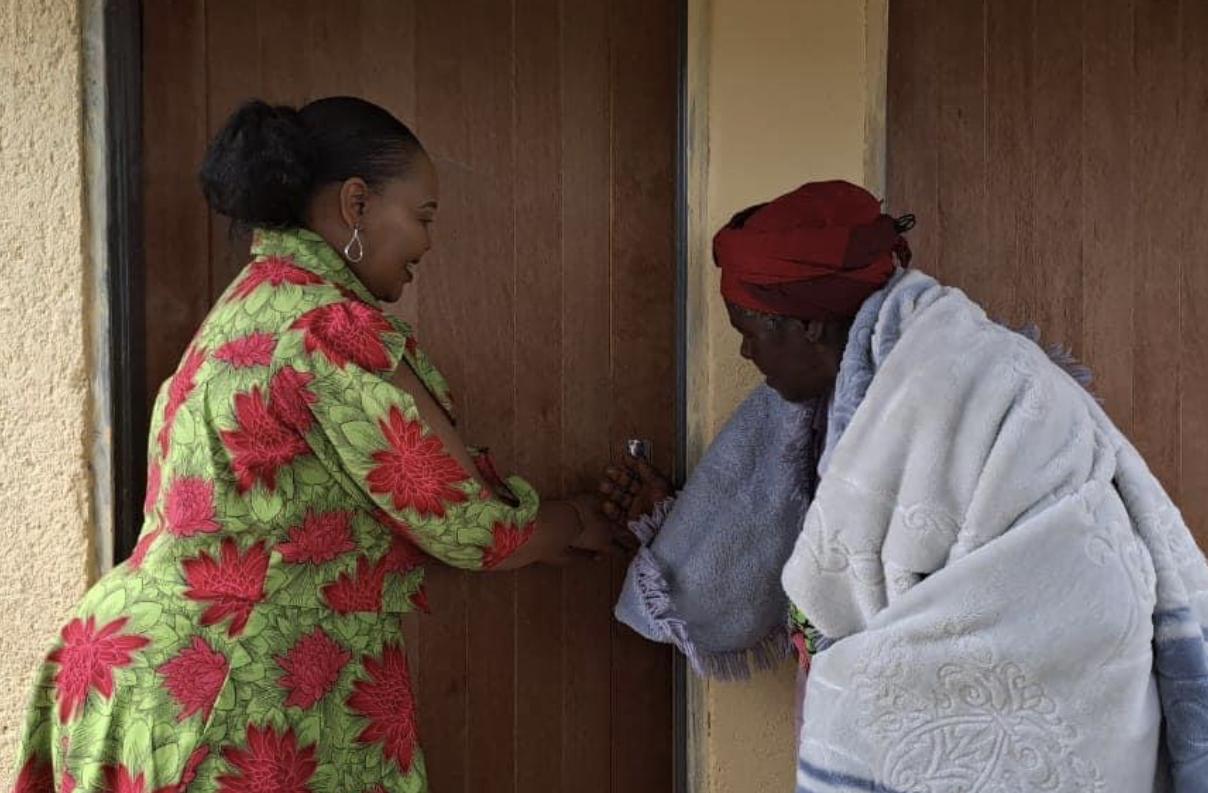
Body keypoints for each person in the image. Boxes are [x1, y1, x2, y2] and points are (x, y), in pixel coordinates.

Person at [11, 97, 621, 793]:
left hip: (135, 671)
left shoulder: (249, 305)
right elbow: (469, 525)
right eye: (422, 216)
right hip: (230, 692)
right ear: (356, 204)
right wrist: (581, 521)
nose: (427, 243)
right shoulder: (326, 329)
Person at [606, 180, 1208, 792]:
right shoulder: (853, 390)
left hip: (1068, 681)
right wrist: (677, 521)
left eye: (750, 330)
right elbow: (797, 533)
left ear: (808, 326)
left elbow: (1014, 568)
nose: (743, 351)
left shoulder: (946, 384)